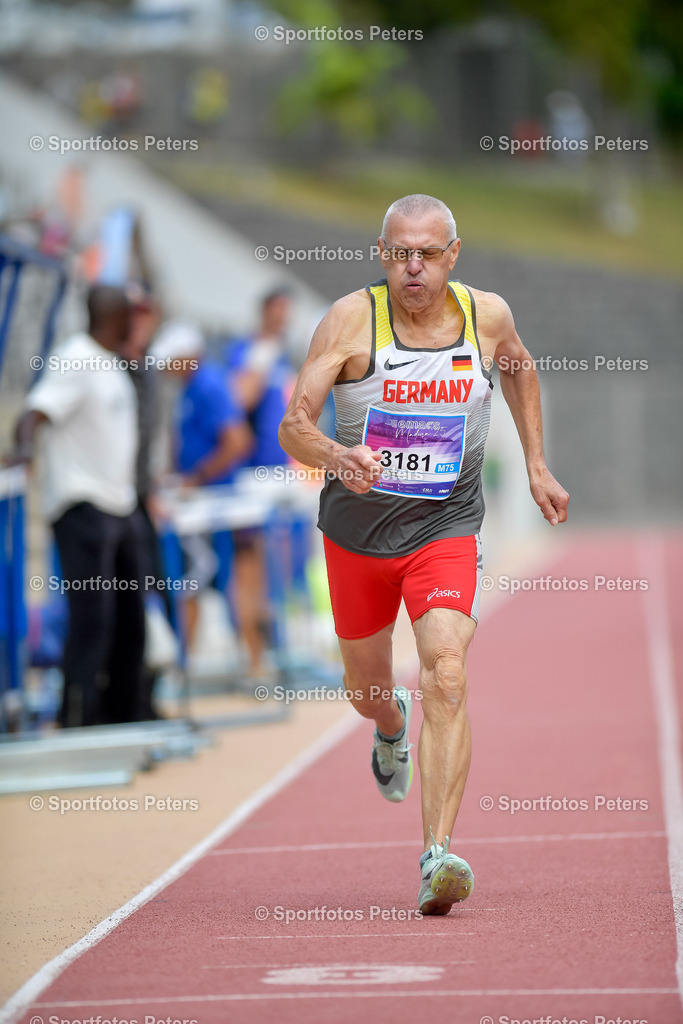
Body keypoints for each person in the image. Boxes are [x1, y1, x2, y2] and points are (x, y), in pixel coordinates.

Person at [279, 194, 569, 915]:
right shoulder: (351, 320)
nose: (414, 267)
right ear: (381, 254)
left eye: (428, 253)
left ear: (452, 254)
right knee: (368, 688)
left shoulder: (485, 315)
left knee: (444, 671)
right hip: (356, 534)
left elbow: (520, 369)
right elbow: (292, 424)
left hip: (445, 528)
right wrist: (337, 456)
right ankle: (386, 729)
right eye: (400, 253)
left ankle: (436, 855)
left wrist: (535, 463)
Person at [11, 285, 145, 727]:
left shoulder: (111, 362)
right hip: (82, 508)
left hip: (119, 506)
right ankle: (78, 717)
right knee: (93, 619)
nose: (136, 324)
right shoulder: (77, 357)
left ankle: (125, 712)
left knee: (131, 619)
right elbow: (33, 413)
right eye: (131, 314)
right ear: (115, 316)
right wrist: (26, 452)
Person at [151, 320, 251, 649]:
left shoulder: (208, 385)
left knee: (199, 578)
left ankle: (194, 659)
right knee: (195, 579)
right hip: (203, 503)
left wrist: (197, 479)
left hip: (214, 506)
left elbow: (237, 442)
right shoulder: (191, 388)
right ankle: (189, 659)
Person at [223, 288, 296, 675]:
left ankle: (268, 652)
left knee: (273, 565)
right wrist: (261, 359)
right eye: (278, 313)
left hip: (278, 477)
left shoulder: (281, 357)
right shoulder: (248, 352)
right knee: (248, 565)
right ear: (265, 313)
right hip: (249, 478)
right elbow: (238, 400)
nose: (284, 322)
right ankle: (252, 657)